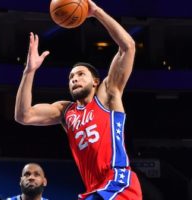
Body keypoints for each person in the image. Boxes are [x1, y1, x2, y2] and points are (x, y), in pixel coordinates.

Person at [14, 0, 142, 199]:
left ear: (95, 81)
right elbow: (23, 116)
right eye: (71, 77)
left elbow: (128, 47)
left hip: (119, 182)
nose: (74, 78)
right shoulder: (66, 112)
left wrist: (96, 12)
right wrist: (29, 71)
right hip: (95, 189)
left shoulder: (108, 95)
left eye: (81, 74)